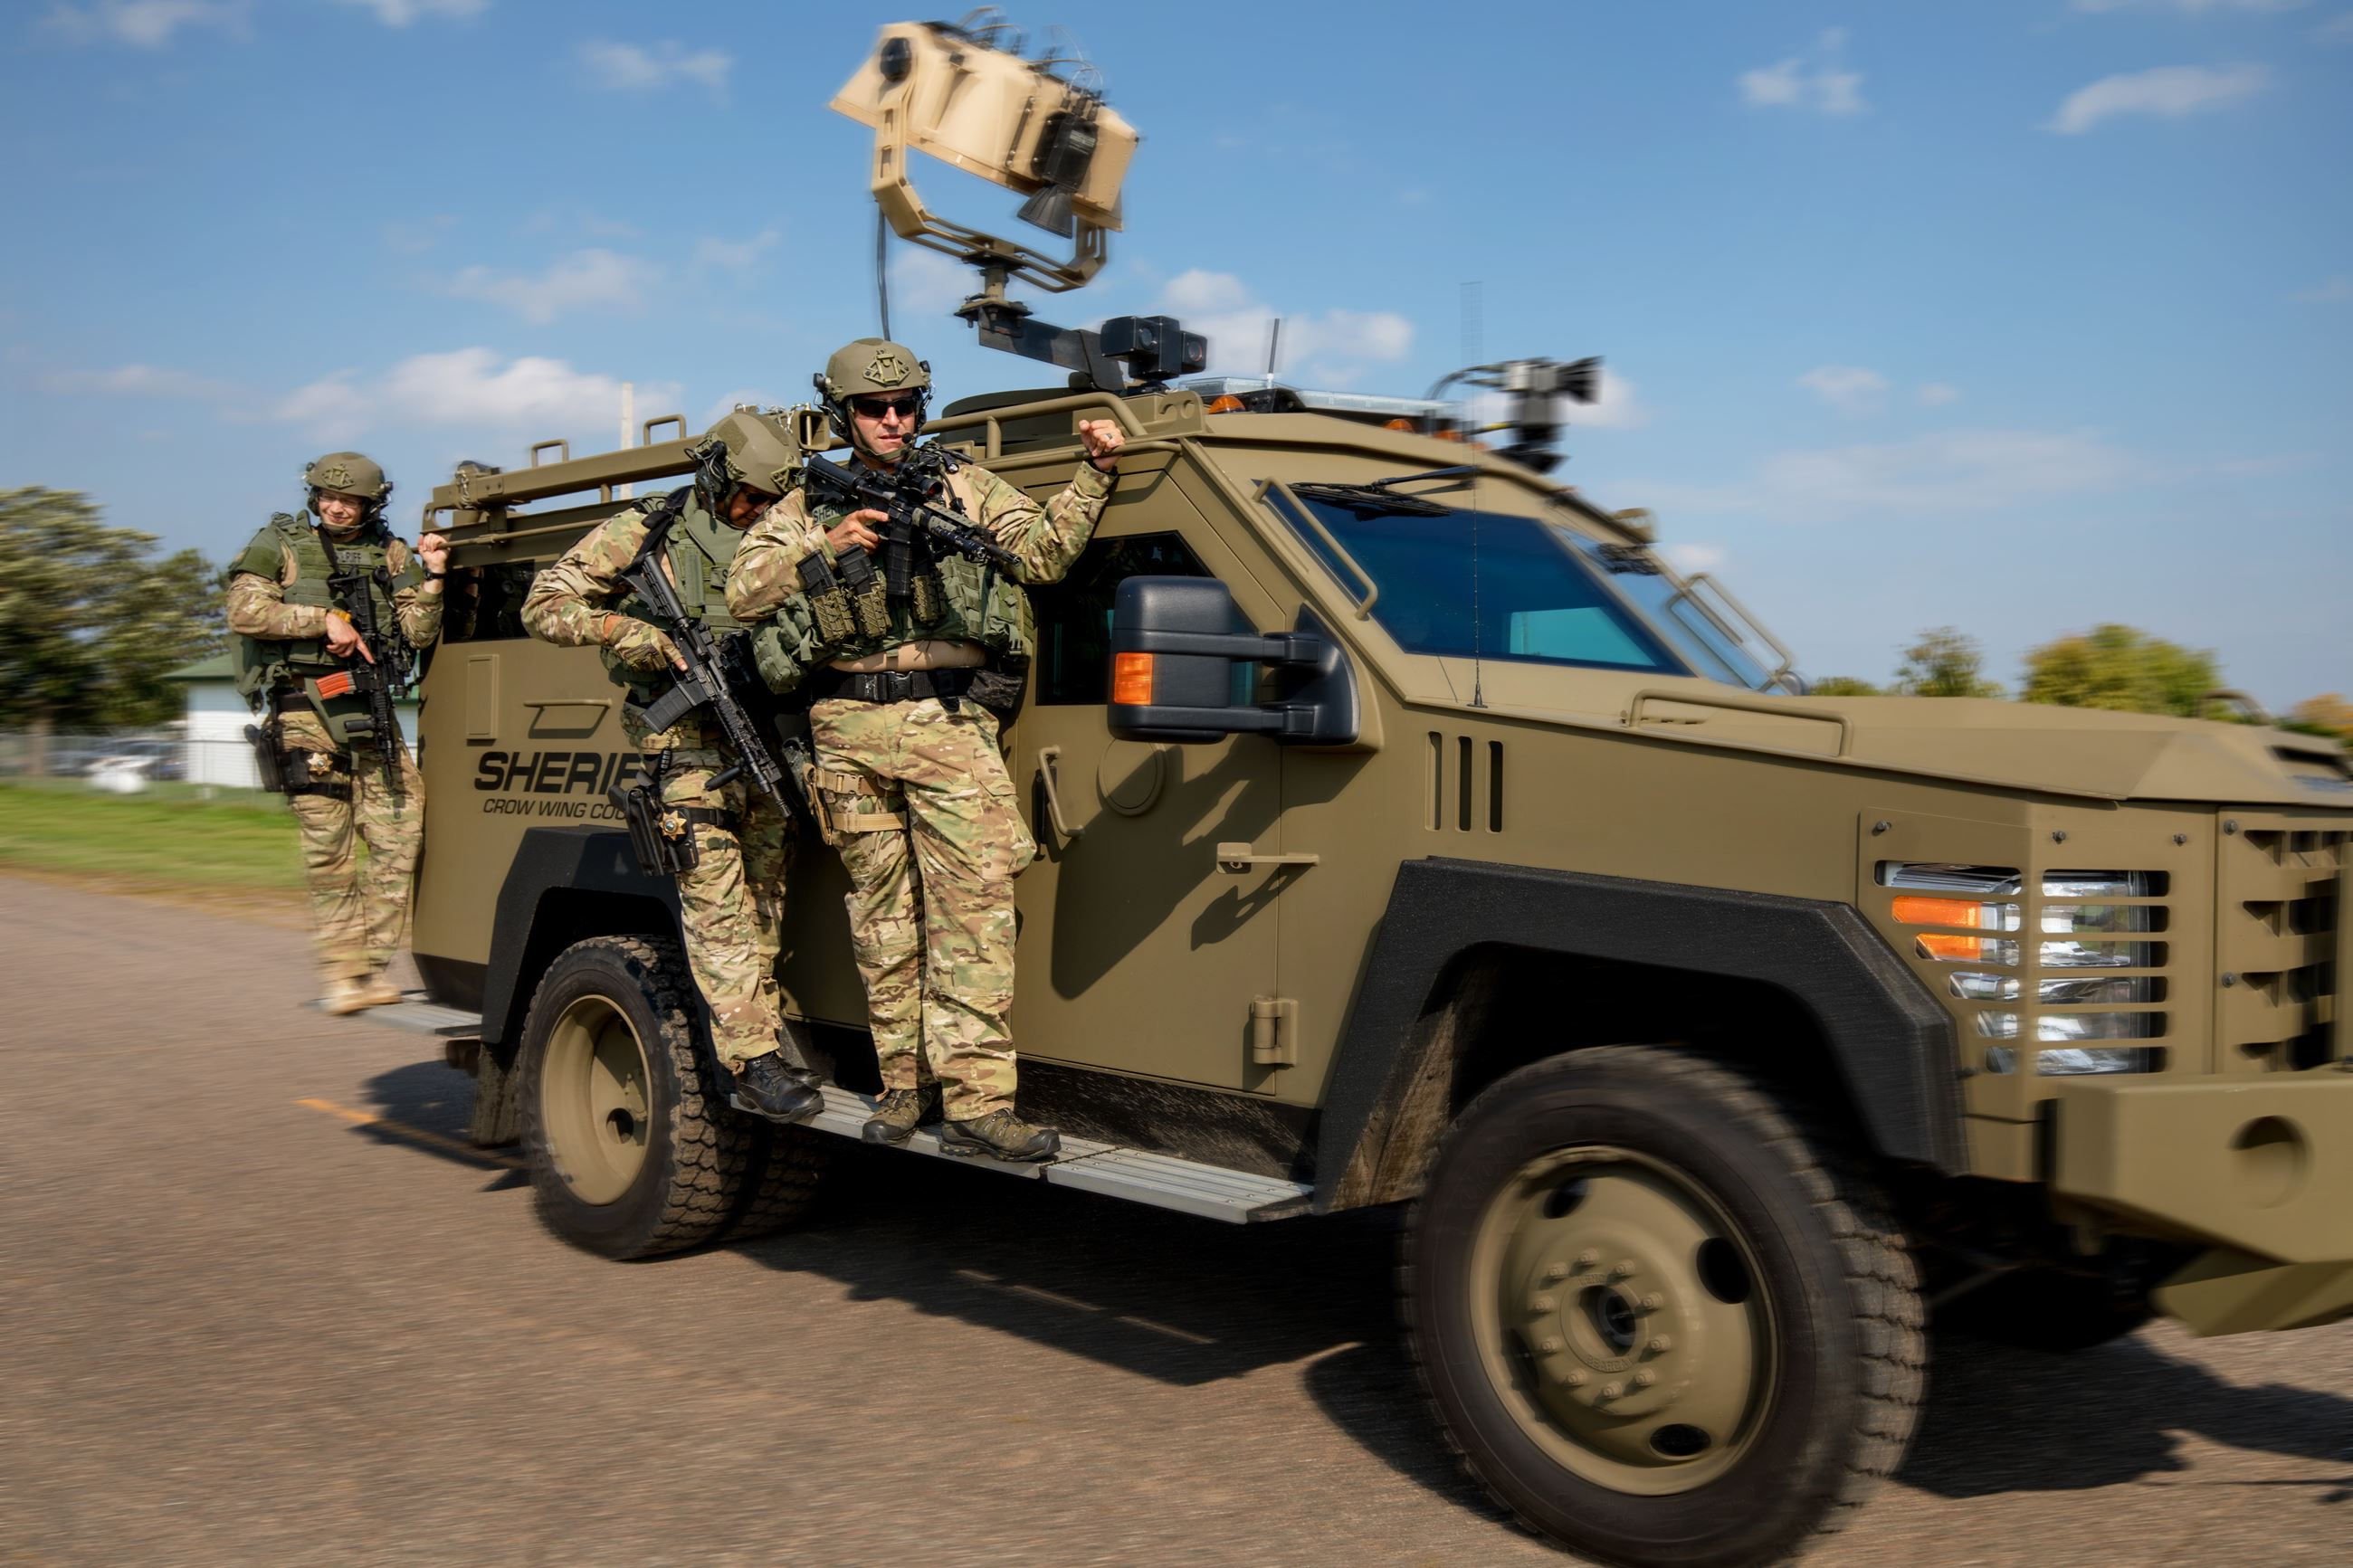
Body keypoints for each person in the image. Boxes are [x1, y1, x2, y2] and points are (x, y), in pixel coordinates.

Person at [727, 338, 1123, 1161]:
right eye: (875, 408)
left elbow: (1040, 553)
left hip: (947, 723)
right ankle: (903, 1089)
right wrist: (826, 547)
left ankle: (978, 1104)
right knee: (883, 924)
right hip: (845, 730)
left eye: (906, 403)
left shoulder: (961, 483)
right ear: (844, 415)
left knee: (973, 918)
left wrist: (1095, 473)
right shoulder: (807, 502)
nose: (894, 419)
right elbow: (743, 591)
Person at [519, 412, 823, 1123]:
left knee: (766, 905)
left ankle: (762, 1036)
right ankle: (754, 1062)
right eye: (748, 495)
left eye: (770, 500)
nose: (757, 511)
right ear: (715, 472)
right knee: (716, 903)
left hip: (766, 739)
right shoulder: (645, 533)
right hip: (685, 748)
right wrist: (626, 630)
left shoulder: (783, 530)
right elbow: (545, 602)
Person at [225, 452, 444, 1015]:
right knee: (330, 849)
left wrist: (435, 576)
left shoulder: (393, 552)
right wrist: (320, 620)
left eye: (348, 500)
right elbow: (244, 611)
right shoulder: (282, 542)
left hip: (368, 708)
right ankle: (344, 975)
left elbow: (417, 633)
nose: (335, 506)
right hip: (304, 710)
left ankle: (368, 967)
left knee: (401, 831)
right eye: (326, 495)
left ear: (373, 504)